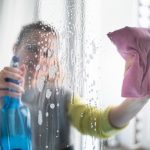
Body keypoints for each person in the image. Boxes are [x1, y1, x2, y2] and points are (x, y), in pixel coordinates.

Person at [0, 21, 149, 150]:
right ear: (15, 48)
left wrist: (139, 98)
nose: (39, 58)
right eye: (32, 48)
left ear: (54, 61)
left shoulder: (61, 96)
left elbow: (96, 123)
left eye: (47, 53)